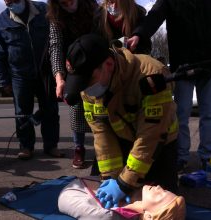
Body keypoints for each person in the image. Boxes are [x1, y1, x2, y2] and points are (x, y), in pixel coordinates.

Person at [63, 34, 179, 208]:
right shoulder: (87, 89)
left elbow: (151, 136)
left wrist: (125, 183)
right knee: (104, 200)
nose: (86, 89)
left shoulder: (151, 74)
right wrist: (111, 178)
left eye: (89, 80)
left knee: (163, 205)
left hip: (159, 145)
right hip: (123, 139)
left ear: (108, 65)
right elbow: (102, 134)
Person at [127, 0, 211, 171]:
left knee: (208, 113)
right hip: (183, 65)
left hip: (208, 64)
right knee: (181, 114)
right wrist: (139, 34)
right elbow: (154, 16)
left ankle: (207, 157)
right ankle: (181, 157)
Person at [0, 0, 63, 160]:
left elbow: (56, 39)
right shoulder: (1, 20)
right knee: (22, 113)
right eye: (8, 2)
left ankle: (51, 145)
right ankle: (26, 146)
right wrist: (3, 81)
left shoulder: (44, 10)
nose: (12, 4)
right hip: (19, 75)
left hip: (45, 71)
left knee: (50, 109)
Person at [47, 0, 98, 169]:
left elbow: (102, 32)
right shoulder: (55, 16)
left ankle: (102, 146)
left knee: (101, 106)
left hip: (96, 59)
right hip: (73, 65)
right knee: (74, 103)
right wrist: (59, 78)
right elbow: (55, 46)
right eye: (63, 2)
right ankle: (79, 147)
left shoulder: (92, 7)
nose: (68, 4)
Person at [58, 177, 186, 220]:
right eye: (163, 189)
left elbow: (65, 199)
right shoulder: (136, 190)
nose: (158, 187)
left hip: (73, 190)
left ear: (148, 217)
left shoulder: (105, 216)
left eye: (160, 195)